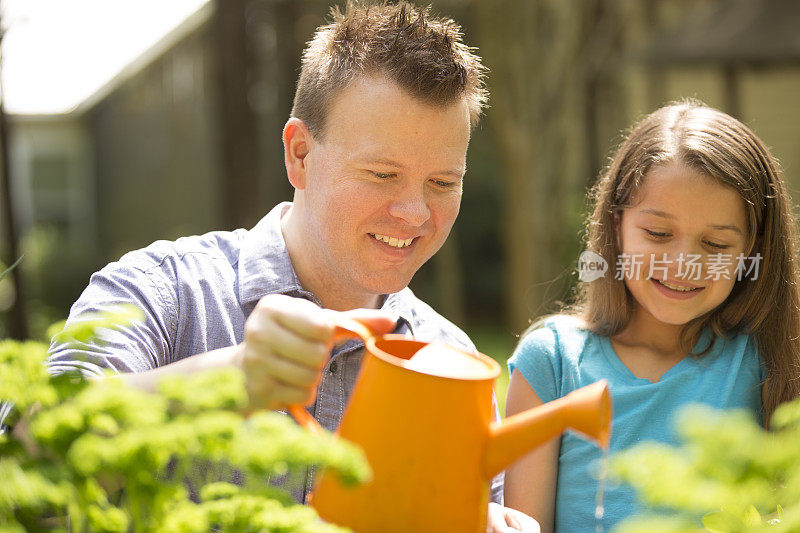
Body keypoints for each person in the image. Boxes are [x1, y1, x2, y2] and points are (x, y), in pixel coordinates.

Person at [22, 2, 538, 531]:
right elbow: (29, 469)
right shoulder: (165, 292)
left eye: (443, 183)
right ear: (299, 154)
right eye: (383, 174)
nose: (415, 214)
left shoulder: (453, 361)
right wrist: (229, 379)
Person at [503, 101, 800, 532]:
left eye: (715, 244)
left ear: (753, 250)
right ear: (616, 222)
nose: (683, 264)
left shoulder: (772, 361)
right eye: (659, 234)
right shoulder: (552, 362)